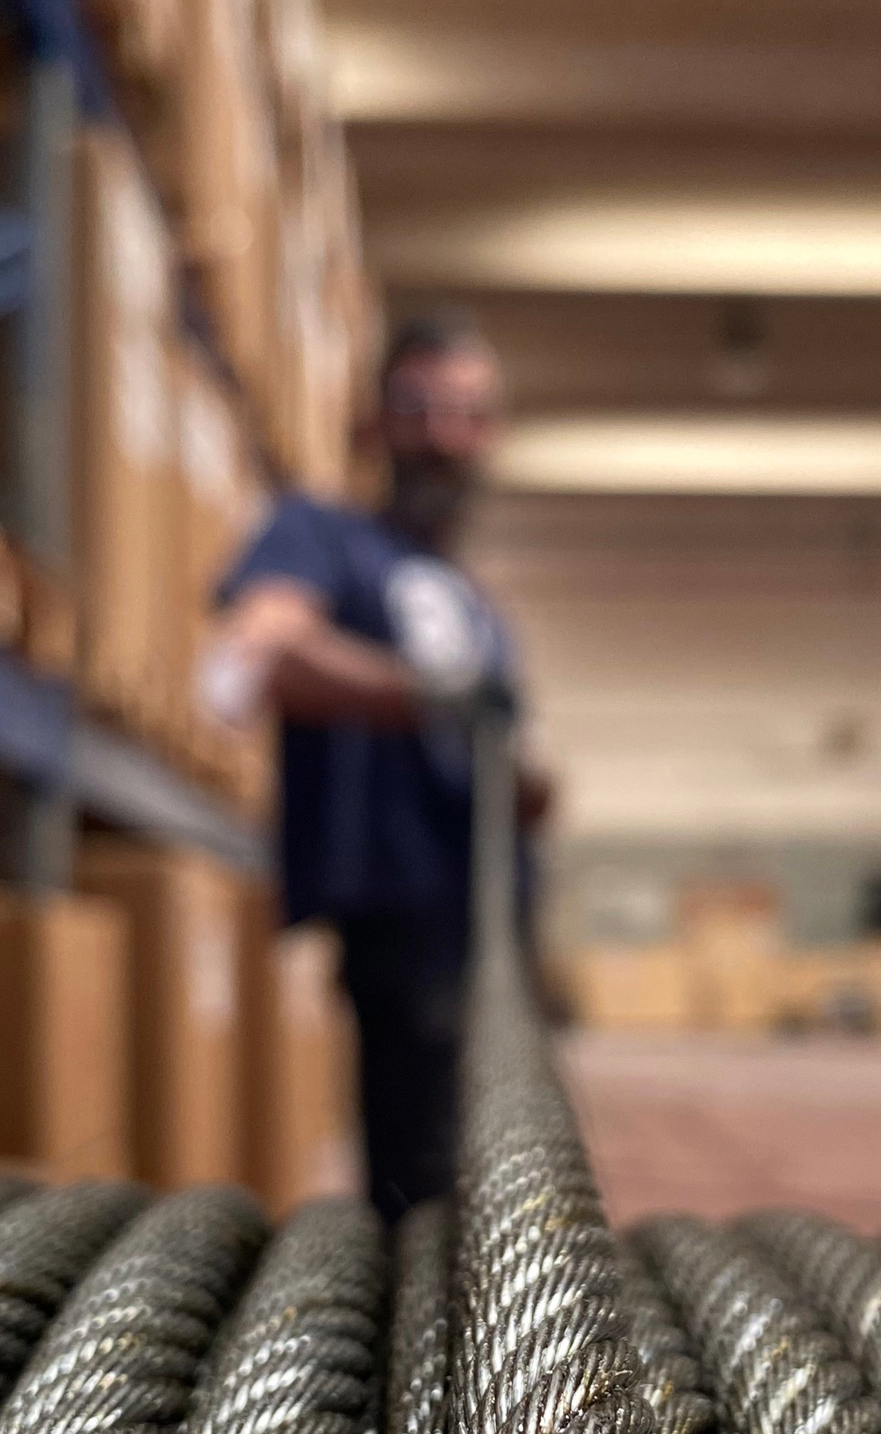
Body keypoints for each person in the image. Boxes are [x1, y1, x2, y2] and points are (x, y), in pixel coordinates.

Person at [208, 309, 539, 1223]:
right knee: (423, 1192)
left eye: (466, 414)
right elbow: (264, 650)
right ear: (373, 425)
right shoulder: (323, 535)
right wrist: (422, 696)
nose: (443, 435)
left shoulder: (471, 600)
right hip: (404, 931)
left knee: (506, 1183)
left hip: (494, 930)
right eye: (419, 408)